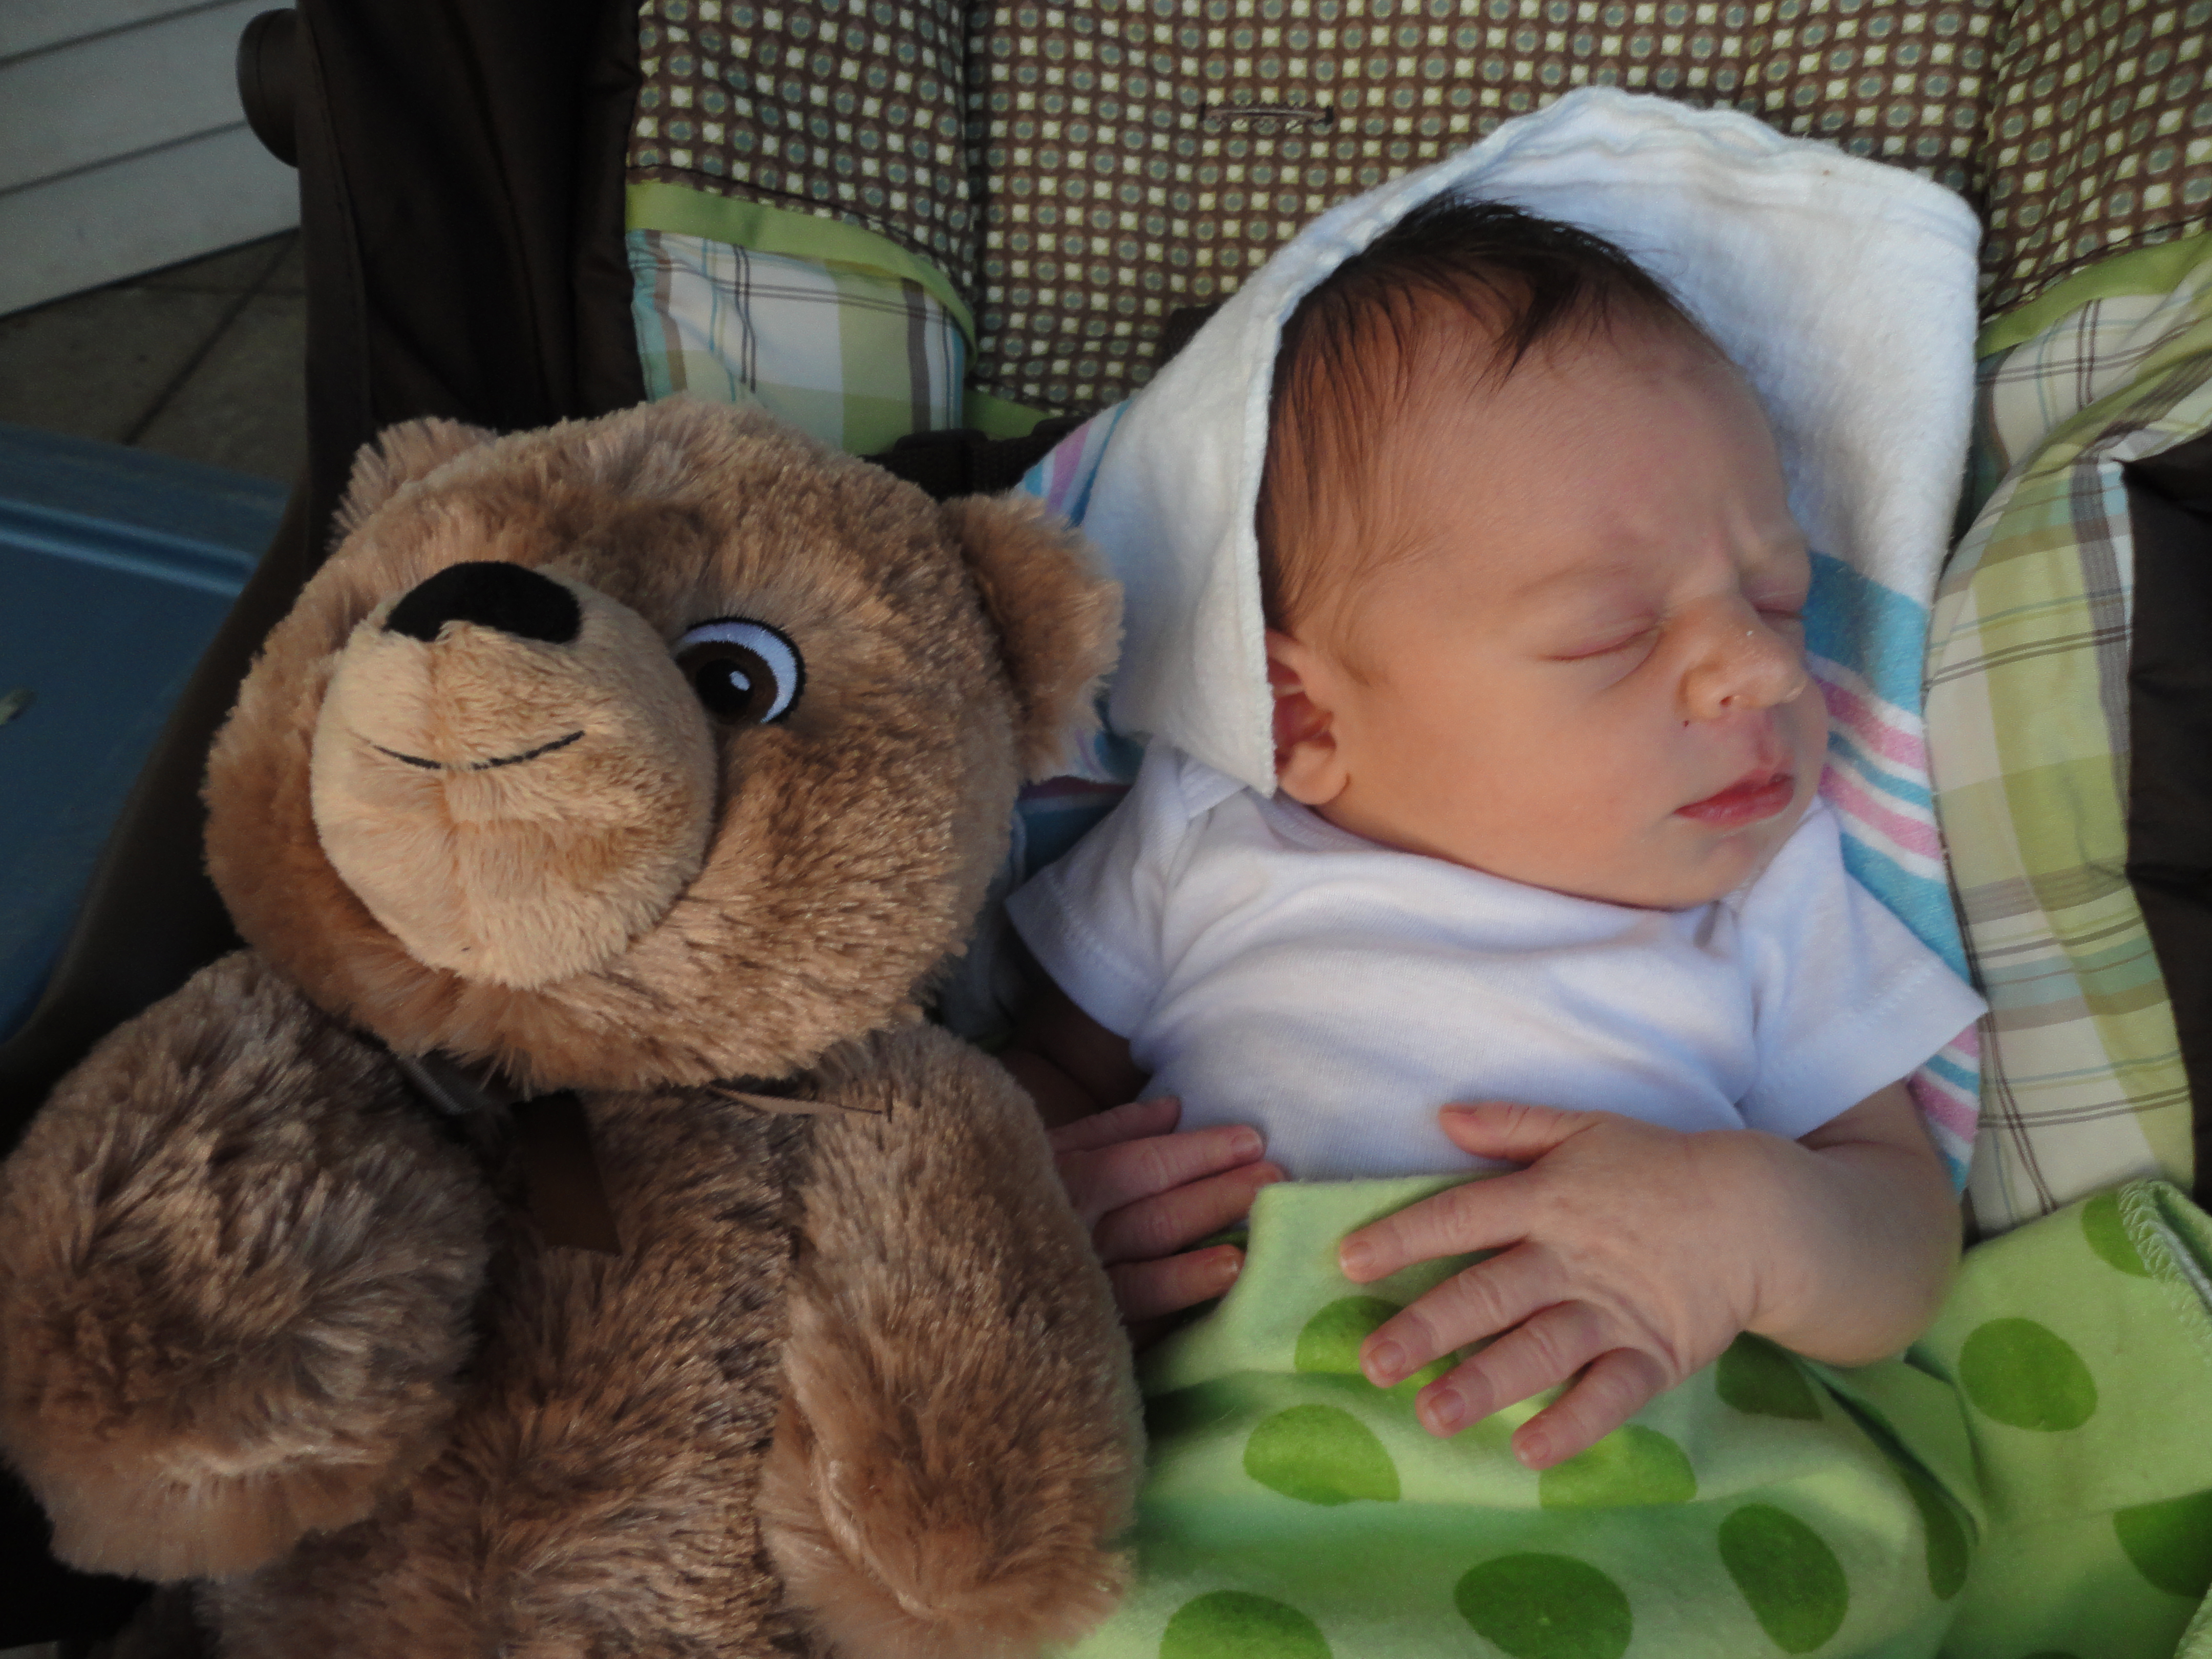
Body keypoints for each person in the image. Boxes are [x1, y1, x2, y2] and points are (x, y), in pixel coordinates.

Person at [997, 197, 1986, 1475]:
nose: (1764, 667)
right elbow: (1038, 1069)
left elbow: (1906, 1231)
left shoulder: (1767, 889)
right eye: (1613, 632)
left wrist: (1746, 1226)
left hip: (1649, 1498)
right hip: (1222, 1483)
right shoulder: (1202, 835)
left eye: (1775, 596)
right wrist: (1036, 1212)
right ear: (1303, 717)